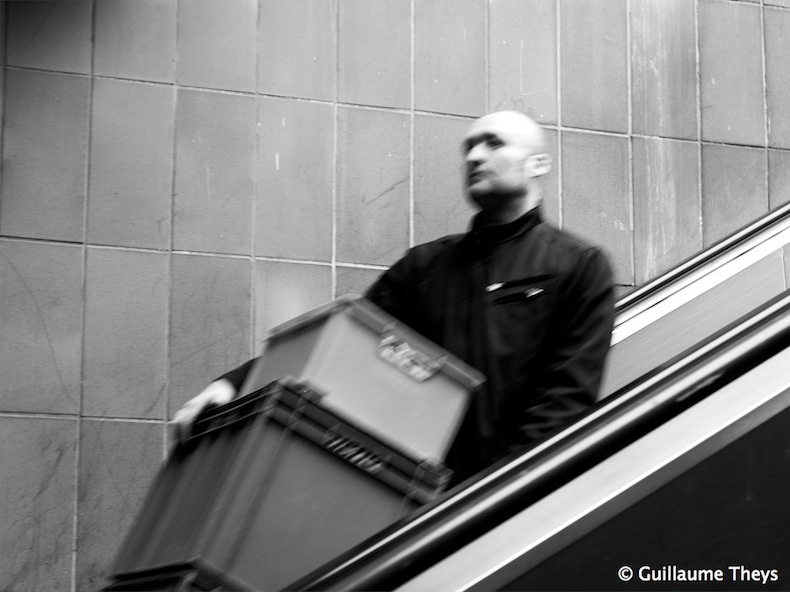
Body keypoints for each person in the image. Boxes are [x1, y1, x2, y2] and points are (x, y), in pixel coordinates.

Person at [171, 110, 615, 484]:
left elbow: (565, 400)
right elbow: (337, 344)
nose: (475, 156)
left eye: (493, 143)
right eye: (469, 147)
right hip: (418, 503)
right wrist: (232, 384)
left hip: (504, 503)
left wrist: (496, 493)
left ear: (538, 163)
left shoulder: (580, 266)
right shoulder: (425, 267)